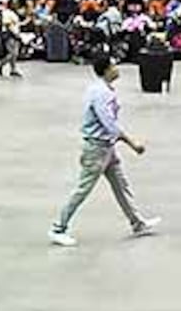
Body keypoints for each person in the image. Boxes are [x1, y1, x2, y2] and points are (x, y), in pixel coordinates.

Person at [49, 55, 160, 248]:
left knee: (121, 185)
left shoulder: (99, 89)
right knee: (83, 189)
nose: (117, 68)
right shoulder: (102, 93)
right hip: (96, 148)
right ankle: (58, 228)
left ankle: (137, 222)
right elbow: (108, 123)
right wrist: (132, 143)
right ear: (107, 70)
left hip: (107, 148)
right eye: (114, 65)